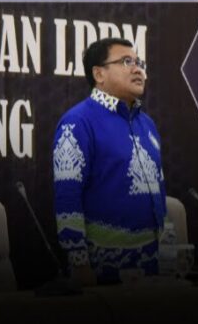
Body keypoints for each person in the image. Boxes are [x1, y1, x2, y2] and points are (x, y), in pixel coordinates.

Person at [53, 38, 166, 285]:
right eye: (126, 62)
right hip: (102, 272)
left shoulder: (147, 125)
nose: (137, 69)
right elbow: (68, 198)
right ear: (99, 74)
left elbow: (160, 193)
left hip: (154, 269)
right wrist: (79, 263)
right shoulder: (77, 123)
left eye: (139, 63)